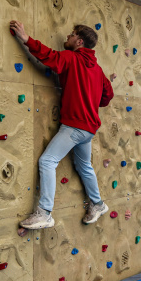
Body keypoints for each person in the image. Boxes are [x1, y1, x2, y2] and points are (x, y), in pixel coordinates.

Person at [11, 20, 113, 229]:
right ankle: (98, 203)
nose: (67, 37)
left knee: (48, 161)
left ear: (79, 41)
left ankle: (45, 212)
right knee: (84, 166)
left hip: (75, 127)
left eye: (71, 34)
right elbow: (108, 95)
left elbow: (50, 57)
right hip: (88, 129)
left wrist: (25, 39)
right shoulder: (98, 70)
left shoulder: (72, 58)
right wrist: (92, 101)